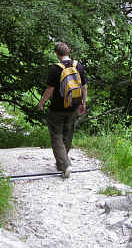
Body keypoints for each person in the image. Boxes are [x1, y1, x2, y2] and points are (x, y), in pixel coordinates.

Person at [38, 42, 88, 178]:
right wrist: (83, 102)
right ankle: (62, 163)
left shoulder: (55, 69)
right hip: (74, 106)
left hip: (57, 108)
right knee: (68, 134)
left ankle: (65, 165)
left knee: (56, 136)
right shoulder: (78, 66)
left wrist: (41, 103)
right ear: (69, 51)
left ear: (56, 54)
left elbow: (50, 90)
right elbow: (84, 87)